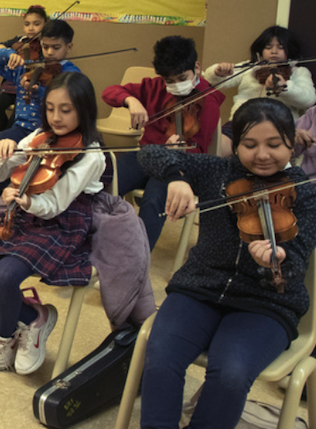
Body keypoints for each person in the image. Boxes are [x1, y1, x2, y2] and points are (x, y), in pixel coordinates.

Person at [137, 98, 316, 429]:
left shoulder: (304, 193)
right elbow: (149, 153)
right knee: (161, 358)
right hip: (199, 288)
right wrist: (176, 177)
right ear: (236, 146)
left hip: (266, 304)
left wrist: (277, 259)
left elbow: (298, 259)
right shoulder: (217, 170)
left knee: (231, 374)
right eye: (250, 144)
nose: (262, 155)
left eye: (274, 144)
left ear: (292, 143)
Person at [0, 72, 104, 374]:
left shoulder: (91, 155)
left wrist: (27, 201)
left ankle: (5, 333)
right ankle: (34, 317)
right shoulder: (38, 137)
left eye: (66, 110)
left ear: (84, 109)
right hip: (23, 213)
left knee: (3, 276)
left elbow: (56, 204)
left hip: (61, 221)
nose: (56, 118)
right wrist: (4, 156)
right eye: (50, 108)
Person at [102, 35, 225, 248]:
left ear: (196, 67)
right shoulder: (154, 87)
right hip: (147, 155)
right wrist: (131, 101)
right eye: (169, 80)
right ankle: (94, 246)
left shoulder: (208, 100)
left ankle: (137, 260)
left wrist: (176, 153)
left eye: (181, 78)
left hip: (180, 165)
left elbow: (200, 149)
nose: (175, 85)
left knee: (153, 198)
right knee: (105, 184)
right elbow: (109, 92)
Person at [204, 25, 315, 156]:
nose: (274, 51)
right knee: (219, 148)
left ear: (289, 50)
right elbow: (213, 81)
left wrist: (285, 88)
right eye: (268, 47)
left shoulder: (298, 72)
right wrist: (218, 71)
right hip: (242, 121)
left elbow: (308, 99)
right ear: (260, 50)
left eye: (281, 47)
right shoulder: (250, 67)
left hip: (280, 126)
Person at [0, 19, 79, 159]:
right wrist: (10, 54)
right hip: (22, 129)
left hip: (51, 133)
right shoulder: (29, 67)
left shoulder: (71, 74)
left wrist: (38, 92)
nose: (50, 52)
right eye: (45, 47)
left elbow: (65, 106)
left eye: (56, 47)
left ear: (68, 47)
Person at [0, 5, 49, 134]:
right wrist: (5, 50)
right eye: (27, 24)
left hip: (28, 87)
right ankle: (4, 132)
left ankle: (9, 135)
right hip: (11, 84)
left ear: (45, 24)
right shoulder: (18, 41)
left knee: (17, 116)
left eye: (36, 24)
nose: (31, 28)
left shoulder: (46, 44)